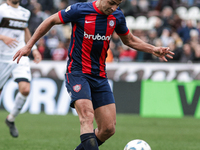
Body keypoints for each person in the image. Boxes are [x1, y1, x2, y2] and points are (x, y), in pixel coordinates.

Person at [13, 0, 174, 149]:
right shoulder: (80, 10)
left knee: (108, 128)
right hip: (77, 73)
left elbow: (129, 40)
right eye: (111, 3)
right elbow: (50, 21)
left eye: (117, 4)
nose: (114, 8)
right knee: (87, 116)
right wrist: (29, 46)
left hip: (99, 76)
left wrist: (153, 49)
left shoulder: (117, 15)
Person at [0, 0, 42, 138]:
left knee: (25, 89)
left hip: (19, 54)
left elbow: (25, 31)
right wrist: (3, 37)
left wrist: (34, 49)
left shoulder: (25, 12)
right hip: (2, 57)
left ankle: (10, 119)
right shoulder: (2, 10)